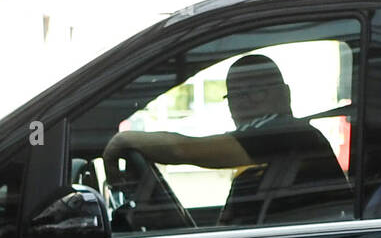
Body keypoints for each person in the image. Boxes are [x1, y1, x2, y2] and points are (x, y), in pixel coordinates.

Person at [103, 54, 348, 226]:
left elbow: (185, 150)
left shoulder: (285, 133)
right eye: (236, 95)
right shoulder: (268, 156)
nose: (246, 102)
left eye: (257, 91)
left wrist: (122, 141)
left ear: (285, 94)